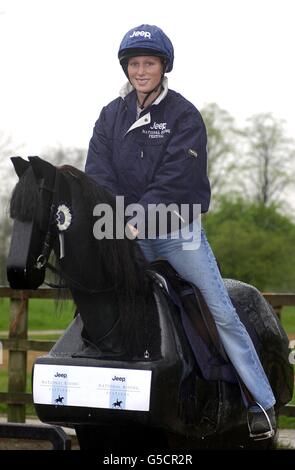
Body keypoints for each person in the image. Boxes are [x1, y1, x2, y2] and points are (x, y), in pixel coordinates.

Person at [85, 24, 276, 440]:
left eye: (148, 63)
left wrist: (136, 216)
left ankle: (260, 402)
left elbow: (177, 179)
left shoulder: (184, 116)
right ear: (126, 67)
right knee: (106, 303)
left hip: (178, 232)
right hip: (124, 230)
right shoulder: (110, 116)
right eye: (134, 63)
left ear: (162, 67)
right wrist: (120, 218)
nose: (140, 70)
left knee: (221, 311)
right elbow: (98, 173)